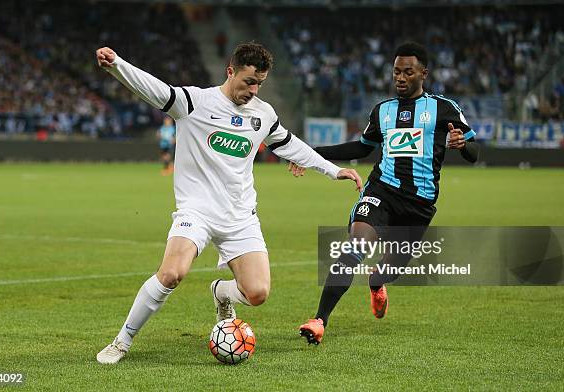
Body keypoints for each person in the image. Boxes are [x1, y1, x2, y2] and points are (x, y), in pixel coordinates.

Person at [94, 42, 363, 364]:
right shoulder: (194, 102)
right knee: (171, 274)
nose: (253, 89)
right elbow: (153, 88)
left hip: (240, 217)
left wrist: (333, 170)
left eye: (259, 83)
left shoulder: (262, 114)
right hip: (197, 211)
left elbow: (290, 145)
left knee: (257, 293)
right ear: (230, 71)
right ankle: (122, 342)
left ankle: (221, 292)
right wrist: (116, 64)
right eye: (248, 81)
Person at [296, 42, 479, 344]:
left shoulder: (444, 108)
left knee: (386, 271)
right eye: (396, 71)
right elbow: (361, 148)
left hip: (419, 205)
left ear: (424, 73)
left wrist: (463, 145)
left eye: (408, 72)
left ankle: (377, 283)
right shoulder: (382, 111)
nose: (400, 77)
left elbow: (474, 151)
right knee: (356, 246)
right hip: (381, 190)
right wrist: (310, 153)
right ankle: (319, 320)